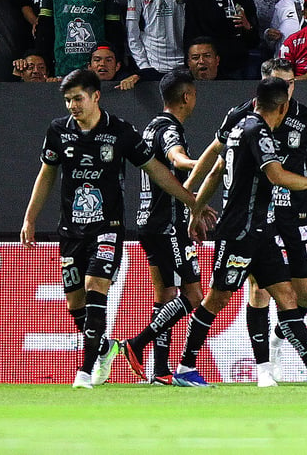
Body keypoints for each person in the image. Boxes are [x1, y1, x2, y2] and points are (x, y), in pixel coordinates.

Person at [20, 68, 199, 389]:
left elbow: (157, 170)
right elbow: (47, 174)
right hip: (71, 230)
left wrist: (190, 200)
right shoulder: (58, 131)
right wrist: (30, 217)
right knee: (75, 304)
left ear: (95, 96)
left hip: (108, 228)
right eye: (67, 100)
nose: (72, 106)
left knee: (94, 286)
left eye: (78, 98)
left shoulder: (119, 131)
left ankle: (85, 372)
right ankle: (106, 348)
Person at [173, 77, 307, 387]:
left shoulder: (238, 126)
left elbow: (218, 170)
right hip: (240, 231)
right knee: (216, 299)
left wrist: (194, 208)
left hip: (260, 229)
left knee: (286, 295)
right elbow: (276, 174)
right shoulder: (259, 130)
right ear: (283, 108)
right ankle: (185, 367)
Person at [121, 68, 206, 384]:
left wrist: (193, 202)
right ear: (187, 96)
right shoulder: (171, 128)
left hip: (149, 222)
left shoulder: (150, 126)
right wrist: (203, 164)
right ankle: (137, 343)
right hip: (167, 225)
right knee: (194, 297)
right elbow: (177, 158)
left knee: (166, 296)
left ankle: (160, 371)